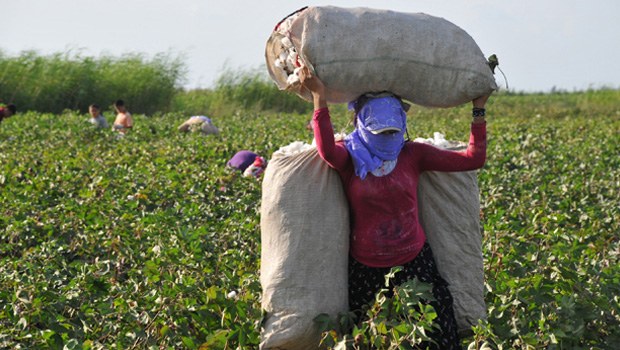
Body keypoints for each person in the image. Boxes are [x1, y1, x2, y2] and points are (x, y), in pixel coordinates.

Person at [299, 66, 490, 349]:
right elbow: (326, 151)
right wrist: (319, 96)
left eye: (392, 131)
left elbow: (473, 159)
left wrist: (478, 109)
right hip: (367, 267)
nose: (387, 138)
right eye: (379, 131)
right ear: (362, 124)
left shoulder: (413, 154)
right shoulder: (351, 157)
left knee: (436, 335)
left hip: (415, 260)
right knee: (371, 338)